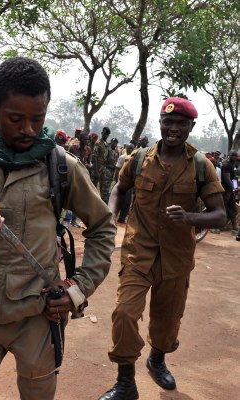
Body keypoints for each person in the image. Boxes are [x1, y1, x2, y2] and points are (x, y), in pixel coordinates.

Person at [0, 56, 115, 400]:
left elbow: (103, 226)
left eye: (38, 118)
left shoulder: (61, 165)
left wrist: (78, 289)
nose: (29, 129)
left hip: (38, 317)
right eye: (16, 118)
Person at [99, 97, 226, 400]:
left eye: (181, 123)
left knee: (167, 320)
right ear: (160, 123)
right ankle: (125, 382)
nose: (173, 128)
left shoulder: (201, 166)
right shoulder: (140, 158)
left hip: (176, 257)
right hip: (138, 251)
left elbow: (220, 214)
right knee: (125, 313)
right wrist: (110, 211)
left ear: (190, 127)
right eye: (168, 122)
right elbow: (119, 188)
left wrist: (191, 217)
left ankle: (157, 359)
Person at [114, 143, 134, 224]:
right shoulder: (122, 157)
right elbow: (117, 170)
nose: (130, 150)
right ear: (127, 149)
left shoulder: (133, 158)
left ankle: (122, 218)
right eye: (129, 148)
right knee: (118, 199)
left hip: (129, 183)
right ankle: (113, 216)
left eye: (131, 149)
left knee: (127, 201)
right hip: (121, 181)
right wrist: (116, 181)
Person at [221, 150, 238, 235]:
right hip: (226, 190)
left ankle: (235, 228)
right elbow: (227, 179)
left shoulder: (233, 164)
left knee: (232, 208)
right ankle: (216, 227)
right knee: (223, 208)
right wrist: (233, 188)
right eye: (232, 155)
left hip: (230, 190)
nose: (234, 157)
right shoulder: (226, 165)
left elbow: (233, 177)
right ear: (229, 155)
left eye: (235, 156)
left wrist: (235, 188)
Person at [92, 127, 112, 202]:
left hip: (103, 168)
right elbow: (94, 157)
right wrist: (96, 171)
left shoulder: (106, 144)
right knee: (93, 186)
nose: (105, 135)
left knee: (103, 187)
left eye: (106, 134)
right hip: (97, 167)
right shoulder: (98, 143)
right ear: (102, 133)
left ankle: (101, 202)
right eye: (104, 133)